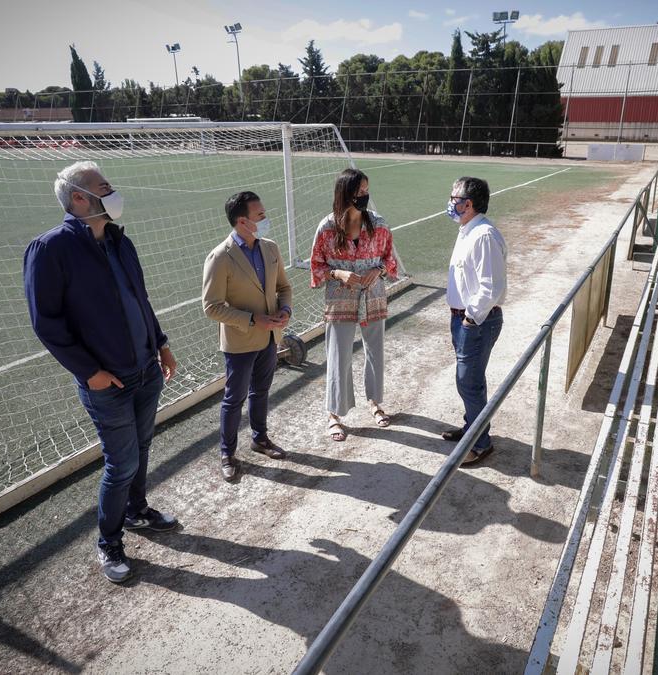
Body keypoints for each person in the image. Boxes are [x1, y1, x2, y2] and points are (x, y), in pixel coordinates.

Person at [24, 160, 180, 584]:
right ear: (79, 198)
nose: (114, 192)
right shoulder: (51, 249)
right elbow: (46, 323)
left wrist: (161, 343)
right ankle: (109, 542)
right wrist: (89, 371)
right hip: (105, 381)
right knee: (121, 460)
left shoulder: (117, 240)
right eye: (104, 186)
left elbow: (140, 299)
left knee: (141, 447)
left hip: (146, 369)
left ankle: (136, 511)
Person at [202, 191, 294, 481]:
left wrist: (286, 309)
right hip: (240, 342)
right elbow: (211, 307)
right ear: (242, 221)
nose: (266, 219)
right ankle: (227, 453)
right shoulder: (220, 257)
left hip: (269, 339)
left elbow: (284, 288)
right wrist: (253, 319)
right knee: (234, 399)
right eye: (261, 216)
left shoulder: (270, 248)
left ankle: (260, 439)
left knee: (261, 392)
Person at [309, 169, 399, 441]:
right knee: (339, 355)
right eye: (359, 192)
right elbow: (316, 266)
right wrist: (338, 273)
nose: (364, 196)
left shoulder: (379, 224)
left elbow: (390, 261)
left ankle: (375, 402)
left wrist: (380, 270)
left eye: (366, 191)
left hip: (373, 296)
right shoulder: (326, 228)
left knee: (375, 351)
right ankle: (334, 414)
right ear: (344, 194)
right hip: (340, 299)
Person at [442, 176, 507, 465]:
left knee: (469, 383)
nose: (451, 202)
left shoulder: (484, 236)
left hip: (477, 322)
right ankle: (472, 428)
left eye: (455, 198)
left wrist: (470, 318)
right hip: (464, 320)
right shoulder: (468, 229)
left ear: (468, 204)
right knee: (466, 380)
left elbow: (490, 286)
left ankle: (480, 443)